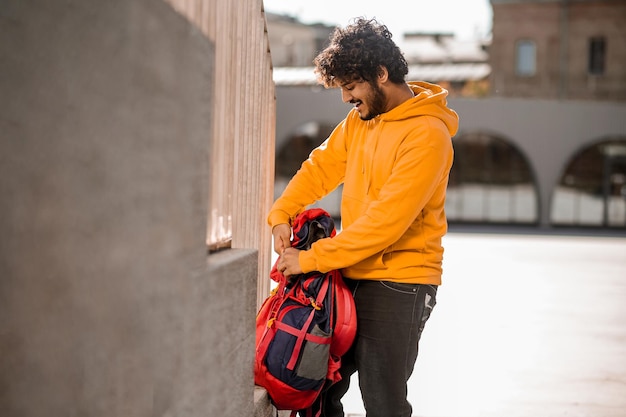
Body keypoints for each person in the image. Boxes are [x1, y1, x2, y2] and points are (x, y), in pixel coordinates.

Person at [269, 17, 459, 417]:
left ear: (381, 74)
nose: (345, 99)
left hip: (400, 284)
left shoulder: (427, 134)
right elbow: (321, 167)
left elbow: (385, 223)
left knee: (382, 399)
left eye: (351, 86)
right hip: (349, 273)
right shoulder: (361, 122)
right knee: (317, 387)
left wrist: (308, 259)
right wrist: (282, 212)